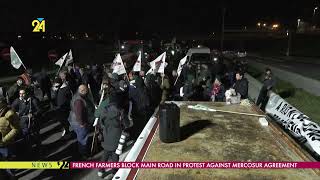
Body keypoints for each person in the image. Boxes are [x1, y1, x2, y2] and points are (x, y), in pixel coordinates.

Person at [97, 94, 124, 179]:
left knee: (105, 155)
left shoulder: (104, 111)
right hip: (116, 137)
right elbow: (126, 124)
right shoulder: (120, 111)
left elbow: (100, 123)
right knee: (115, 156)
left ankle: (100, 171)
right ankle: (114, 171)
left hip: (106, 135)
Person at [11, 88, 41, 156]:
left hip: (32, 122)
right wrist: (15, 113)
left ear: (27, 93)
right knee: (26, 137)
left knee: (36, 136)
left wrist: (33, 114)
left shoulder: (33, 100)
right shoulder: (18, 100)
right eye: (20, 93)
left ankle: (38, 149)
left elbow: (39, 110)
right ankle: (29, 150)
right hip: (23, 123)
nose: (21, 95)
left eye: (23, 93)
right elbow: (12, 108)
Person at [68, 84, 95, 159]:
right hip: (79, 123)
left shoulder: (77, 95)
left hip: (74, 120)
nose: (88, 92)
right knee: (82, 138)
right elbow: (79, 114)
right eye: (86, 91)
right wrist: (82, 123)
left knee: (80, 137)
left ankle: (82, 151)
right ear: (83, 91)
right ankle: (83, 154)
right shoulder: (79, 101)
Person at [0, 98, 20, 180]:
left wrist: (4, 140)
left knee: (8, 166)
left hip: (5, 144)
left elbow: (16, 129)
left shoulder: (10, 114)